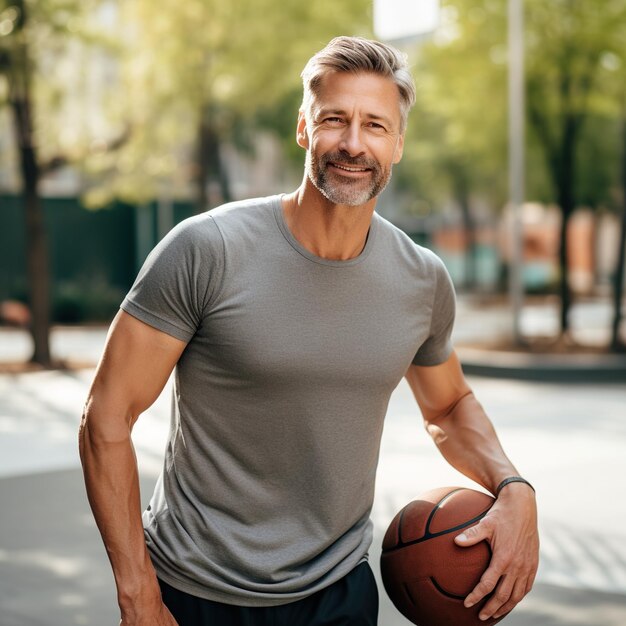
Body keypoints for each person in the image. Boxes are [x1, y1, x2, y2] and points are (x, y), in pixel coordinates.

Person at [79, 36, 539, 626]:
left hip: (338, 594)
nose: (353, 143)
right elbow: (106, 416)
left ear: (398, 143)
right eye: (334, 120)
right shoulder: (206, 250)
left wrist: (513, 485)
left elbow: (448, 406)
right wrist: (138, 592)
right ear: (303, 128)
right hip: (194, 592)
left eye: (375, 125)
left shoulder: (421, 279)